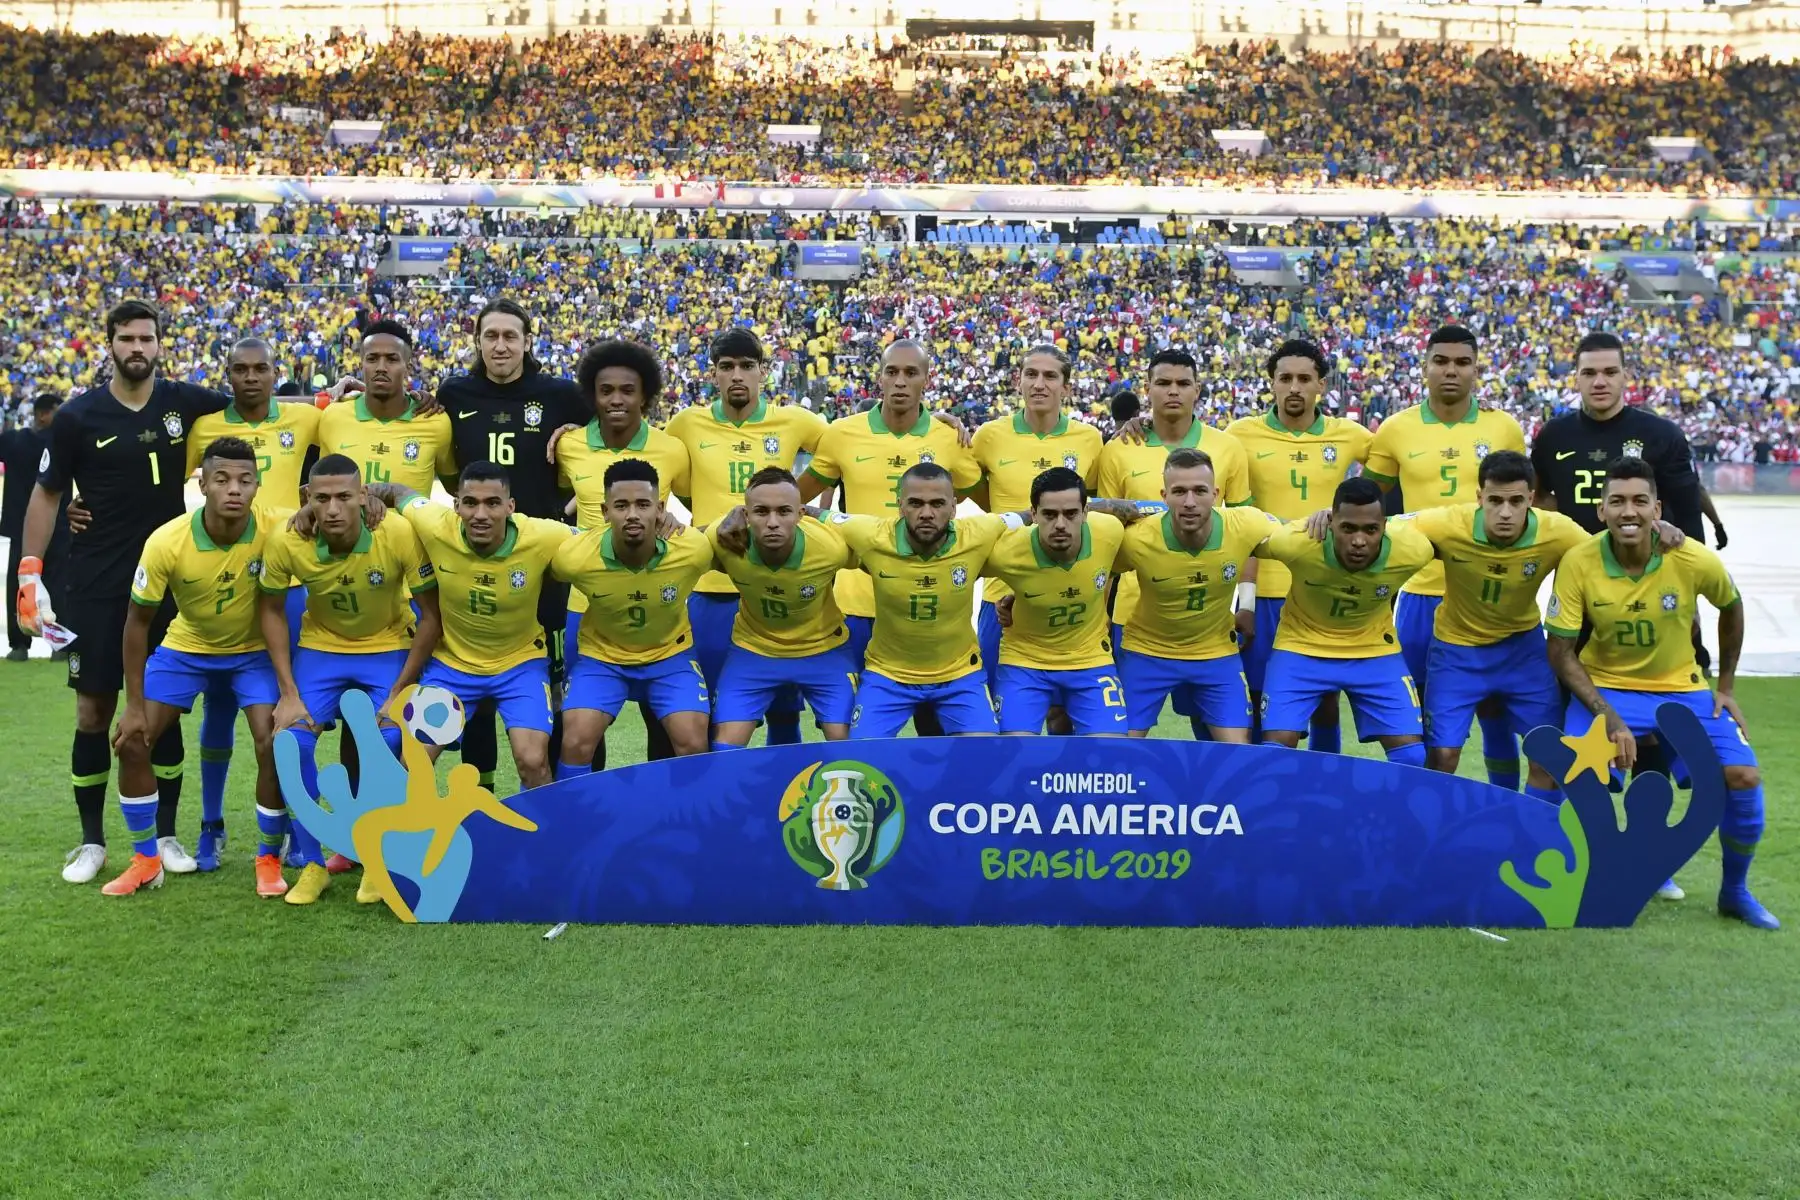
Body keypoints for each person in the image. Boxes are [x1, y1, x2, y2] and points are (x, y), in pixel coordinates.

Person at [16, 299, 230, 884]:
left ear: (162, 343)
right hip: (97, 583)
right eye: (127, 339)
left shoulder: (185, 404)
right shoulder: (77, 417)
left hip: (167, 584)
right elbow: (47, 493)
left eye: (147, 338)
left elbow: (256, 404)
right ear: (109, 343)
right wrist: (29, 570)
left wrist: (325, 397)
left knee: (162, 711)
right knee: (93, 711)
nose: (138, 348)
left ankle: (164, 835)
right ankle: (92, 843)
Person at [1545, 458, 1777, 930]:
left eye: (1638, 501)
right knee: (1579, 779)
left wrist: (1726, 685)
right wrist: (1606, 714)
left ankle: (1735, 892)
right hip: (1607, 689)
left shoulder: (1692, 557)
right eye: (1617, 501)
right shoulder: (1579, 562)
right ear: (1601, 511)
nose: (1628, 511)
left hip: (1684, 691)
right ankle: (1582, 881)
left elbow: (1731, 606)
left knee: (1744, 777)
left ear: (1657, 508)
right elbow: (1562, 652)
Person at [105, 437, 286, 897]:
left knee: (274, 741)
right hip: (186, 650)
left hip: (251, 654)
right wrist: (133, 705)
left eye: (245, 481)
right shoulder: (167, 540)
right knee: (132, 739)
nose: (234, 490)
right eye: (222, 479)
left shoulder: (276, 530)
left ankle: (267, 856)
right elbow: (136, 624)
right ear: (201, 483)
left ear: (257, 485)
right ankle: (146, 859)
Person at [259, 455, 441, 905]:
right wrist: (287, 693)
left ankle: (376, 857)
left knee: (390, 741)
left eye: (345, 496)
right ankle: (311, 862)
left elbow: (433, 617)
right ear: (307, 501)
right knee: (289, 742)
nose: (335, 508)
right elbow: (268, 611)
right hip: (322, 651)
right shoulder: (288, 541)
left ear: (364, 496)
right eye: (323, 498)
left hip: (387, 648)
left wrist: (399, 693)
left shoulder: (396, 532)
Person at [1362, 325, 1528, 787]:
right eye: (1441, 361)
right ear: (1425, 367)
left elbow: (1522, 501)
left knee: (1496, 716)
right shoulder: (1396, 429)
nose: (1450, 371)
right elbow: (1364, 504)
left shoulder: (1503, 427)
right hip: (1421, 594)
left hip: (1490, 596)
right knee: (1416, 725)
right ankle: (1424, 820)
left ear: (1476, 369)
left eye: (1461, 362)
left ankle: (1503, 812)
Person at [435, 298, 588, 797]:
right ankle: (480, 793)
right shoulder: (454, 392)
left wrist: (577, 434)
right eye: (491, 335)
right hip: (479, 555)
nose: (501, 345)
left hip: (544, 562)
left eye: (511, 336)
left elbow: (610, 433)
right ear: (477, 341)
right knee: (477, 684)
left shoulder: (562, 395)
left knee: (555, 684)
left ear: (528, 341)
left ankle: (561, 797)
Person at [183, 336, 321, 870]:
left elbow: (346, 419)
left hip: (287, 587)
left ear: (274, 372)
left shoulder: (304, 418)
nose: (250, 378)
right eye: (239, 370)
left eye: (260, 369)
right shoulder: (204, 429)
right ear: (228, 375)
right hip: (227, 581)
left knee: (286, 707)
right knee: (219, 705)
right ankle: (211, 825)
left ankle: (282, 825)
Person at [799, 339, 980, 732]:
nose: (900, 381)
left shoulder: (949, 438)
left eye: (910, 373)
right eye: (891, 372)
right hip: (855, 601)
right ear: (878, 378)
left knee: (934, 730)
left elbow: (970, 496)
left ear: (926, 380)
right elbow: (796, 498)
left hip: (927, 598)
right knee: (854, 731)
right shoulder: (842, 433)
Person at [665, 328, 826, 745]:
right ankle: (720, 805)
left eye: (747, 366)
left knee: (784, 714)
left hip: (778, 585)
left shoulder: (793, 420)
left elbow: (843, 450)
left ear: (763, 372)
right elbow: (656, 465)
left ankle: (781, 801)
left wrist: (803, 502)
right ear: (713, 374)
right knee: (716, 715)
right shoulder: (685, 423)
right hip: (713, 588)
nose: (737, 375)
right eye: (727, 367)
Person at [1402, 451, 1593, 802]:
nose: (1505, 512)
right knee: (1443, 756)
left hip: (1524, 651)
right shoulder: (1446, 523)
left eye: (1516, 501)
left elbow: (1606, 553)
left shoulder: (1559, 532)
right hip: (1456, 652)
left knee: (1548, 757)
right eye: (1495, 501)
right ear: (1479, 498)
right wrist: (1328, 517)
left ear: (1531, 500)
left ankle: (1536, 840)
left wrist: (1662, 531)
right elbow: (1378, 526)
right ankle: (1429, 840)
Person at [1529, 330, 1716, 685]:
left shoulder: (1662, 435)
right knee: (1574, 691)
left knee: (1672, 695)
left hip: (1653, 584)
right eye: (1589, 373)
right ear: (1576, 378)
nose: (1600, 382)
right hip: (1580, 586)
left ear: (1625, 376)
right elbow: (1535, 496)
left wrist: (1692, 593)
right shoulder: (1554, 435)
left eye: (1610, 372)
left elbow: (1689, 513)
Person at [372, 463, 572, 795]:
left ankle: (546, 842)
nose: (481, 513)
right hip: (452, 667)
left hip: (519, 665)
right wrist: (366, 497)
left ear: (510, 507)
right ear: (456, 506)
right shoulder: (435, 524)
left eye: (493, 503)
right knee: (412, 762)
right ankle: (409, 841)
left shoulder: (543, 535)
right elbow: (397, 491)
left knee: (533, 761)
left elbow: (598, 539)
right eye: (470, 502)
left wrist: (663, 525)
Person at [1096, 348, 1250, 740]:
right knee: (1123, 740)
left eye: (1183, 383)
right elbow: (1104, 538)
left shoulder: (1228, 448)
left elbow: (1248, 532)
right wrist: (1096, 614)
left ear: (1198, 390)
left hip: (1209, 624)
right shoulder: (1118, 449)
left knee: (1218, 740)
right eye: (1163, 383)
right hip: (1134, 619)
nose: (1173, 392)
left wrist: (1246, 602)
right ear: (1147, 389)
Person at [1225, 339, 1372, 749]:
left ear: (1321, 385)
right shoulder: (1239, 435)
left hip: (1323, 588)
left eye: (1304, 379)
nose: (1294, 387)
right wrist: (1247, 602)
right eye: (1285, 378)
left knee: (1325, 698)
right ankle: (1257, 789)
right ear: (1271, 383)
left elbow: (1395, 460)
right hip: (1266, 589)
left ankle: (1323, 790)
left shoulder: (1350, 435)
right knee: (1257, 699)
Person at [556, 337, 692, 767]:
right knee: (584, 729)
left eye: (627, 390)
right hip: (586, 604)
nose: (617, 399)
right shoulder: (568, 446)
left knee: (664, 723)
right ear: (592, 395)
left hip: (655, 598)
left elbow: (691, 509)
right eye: (606, 390)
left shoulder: (671, 448)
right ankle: (591, 814)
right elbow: (561, 502)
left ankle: (662, 814)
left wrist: (674, 523)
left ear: (645, 396)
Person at [1253, 477, 1434, 765]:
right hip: (1300, 646)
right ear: (1332, 522)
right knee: (1275, 753)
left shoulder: (1414, 548)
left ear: (1385, 526)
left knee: (1412, 757)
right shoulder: (1298, 541)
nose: (1359, 541)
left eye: (1370, 530)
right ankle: (1310, 800)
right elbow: (1244, 535)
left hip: (1374, 651)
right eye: (1348, 528)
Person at [828, 463, 1012, 739]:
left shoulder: (980, 532)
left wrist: (1093, 506)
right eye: (916, 503)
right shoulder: (870, 534)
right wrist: (740, 516)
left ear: (954, 506)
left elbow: (1035, 517)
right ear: (900, 505)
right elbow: (809, 514)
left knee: (984, 756)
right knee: (862, 759)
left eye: (937, 504)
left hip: (960, 675)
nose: (927, 513)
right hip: (888, 676)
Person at [554, 458, 713, 774]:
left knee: (693, 743)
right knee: (575, 743)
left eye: (643, 504)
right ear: (604, 511)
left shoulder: (692, 550)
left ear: (660, 508)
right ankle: (574, 818)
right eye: (621, 505)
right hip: (603, 658)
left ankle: (690, 819)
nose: (632, 515)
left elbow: (729, 539)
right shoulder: (573, 558)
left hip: (671, 656)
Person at [968, 345, 1103, 700]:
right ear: (1019, 381)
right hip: (1002, 593)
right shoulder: (988, 436)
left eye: (1050, 376)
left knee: (1066, 712)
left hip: (1069, 591)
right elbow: (978, 495)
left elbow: (1092, 510)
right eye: (1031, 374)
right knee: (1001, 708)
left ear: (1067, 387)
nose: (1039, 384)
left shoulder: (1089, 440)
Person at [1113, 449, 1276, 742]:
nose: (1189, 502)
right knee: (1116, 749)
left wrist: (1326, 518)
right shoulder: (1136, 538)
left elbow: (1300, 539)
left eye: (1199, 491)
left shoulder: (1245, 524)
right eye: (1179, 491)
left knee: (1238, 752)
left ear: (1215, 494)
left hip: (1215, 655)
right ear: (1164, 495)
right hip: (1147, 652)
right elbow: (1087, 567)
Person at [704, 466, 857, 747]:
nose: (773, 522)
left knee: (847, 741)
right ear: (745, 515)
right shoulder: (724, 538)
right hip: (754, 649)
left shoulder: (830, 547)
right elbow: (679, 546)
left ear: (801, 514)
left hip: (824, 650)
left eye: (784, 512)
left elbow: (882, 555)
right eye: (761, 512)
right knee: (724, 746)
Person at [982, 467, 1130, 735]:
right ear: (1034, 514)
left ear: (1086, 513)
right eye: (1049, 514)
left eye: (1071, 513)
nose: (1060, 524)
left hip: (1090, 660)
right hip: (1024, 662)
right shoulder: (1005, 550)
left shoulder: (1110, 531)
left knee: (1110, 750)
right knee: (1013, 751)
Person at [317, 320, 457, 494]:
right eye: (372, 359)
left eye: (391, 359)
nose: (381, 368)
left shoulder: (435, 422)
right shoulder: (333, 416)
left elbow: (456, 488)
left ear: (408, 368)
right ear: (361, 365)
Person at [2, 393, 68, 662]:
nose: (62, 417)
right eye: (57, 412)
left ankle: (19, 645)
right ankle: (59, 645)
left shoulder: (13, 441)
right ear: (43, 414)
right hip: (59, 525)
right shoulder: (64, 443)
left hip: (21, 527)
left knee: (21, 585)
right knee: (59, 584)